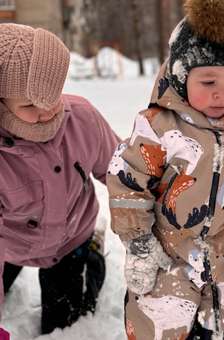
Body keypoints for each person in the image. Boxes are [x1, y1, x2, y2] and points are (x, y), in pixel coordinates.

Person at [107, 0, 224, 339]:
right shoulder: (157, 127)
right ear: (181, 77)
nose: (222, 94)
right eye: (208, 81)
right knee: (158, 321)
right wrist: (139, 244)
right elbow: (128, 183)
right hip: (171, 252)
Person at [0, 23, 120, 334]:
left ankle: (93, 253)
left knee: (65, 324)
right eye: (29, 104)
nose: (47, 110)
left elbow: (122, 171)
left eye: (51, 96)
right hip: (9, 243)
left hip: (70, 238)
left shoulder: (81, 118)